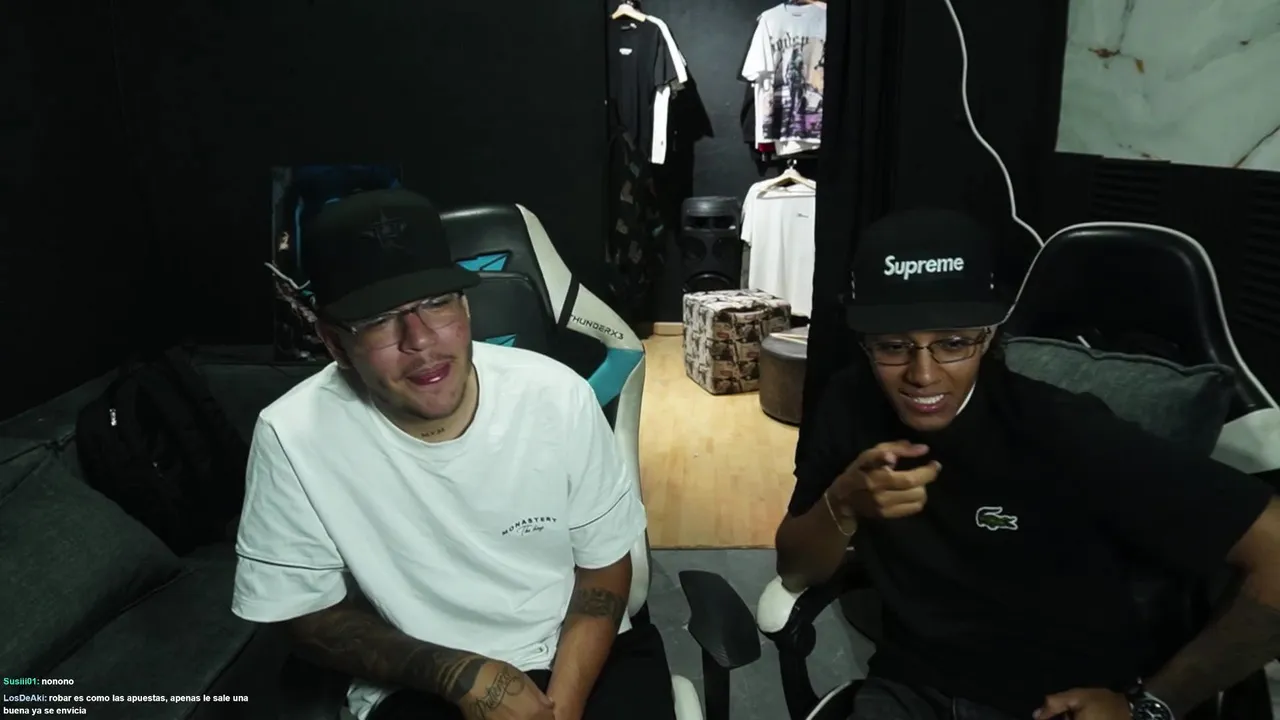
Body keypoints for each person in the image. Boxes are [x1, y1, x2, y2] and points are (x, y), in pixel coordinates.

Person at [774, 208, 1280, 720]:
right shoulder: (849, 403)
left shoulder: (1064, 431)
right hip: (909, 687)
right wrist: (843, 503)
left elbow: (1276, 548)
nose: (923, 375)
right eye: (893, 346)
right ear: (865, 344)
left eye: (953, 343)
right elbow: (795, 569)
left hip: (1053, 702)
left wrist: (1151, 705)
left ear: (989, 336)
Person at [231, 188, 675, 720]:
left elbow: (604, 567)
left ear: (464, 306)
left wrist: (561, 707)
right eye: (379, 318)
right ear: (334, 342)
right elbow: (304, 616)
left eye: (436, 303)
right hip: (420, 681)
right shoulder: (293, 436)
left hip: (581, 654)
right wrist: (457, 674)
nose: (419, 340)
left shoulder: (556, 395)